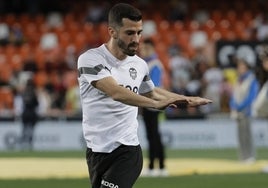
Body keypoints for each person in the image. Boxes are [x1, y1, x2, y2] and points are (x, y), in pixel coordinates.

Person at [77, 3, 212, 188]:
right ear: (112, 32)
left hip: (127, 151)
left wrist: (184, 99)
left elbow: (152, 91)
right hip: (96, 151)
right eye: (130, 33)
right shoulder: (90, 59)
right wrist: (154, 104)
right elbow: (115, 92)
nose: (136, 39)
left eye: (139, 33)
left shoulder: (140, 65)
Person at [139, 38, 167, 176]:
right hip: (147, 103)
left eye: (144, 48)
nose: (142, 51)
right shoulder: (146, 64)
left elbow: (154, 86)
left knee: (154, 135)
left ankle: (159, 166)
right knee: (152, 135)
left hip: (154, 104)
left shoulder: (154, 64)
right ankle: (155, 166)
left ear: (150, 48)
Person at [229, 57, 259, 163]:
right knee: (240, 135)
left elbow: (251, 97)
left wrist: (241, 106)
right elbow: (233, 94)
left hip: (247, 111)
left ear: (246, 68)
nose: (240, 69)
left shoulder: (252, 79)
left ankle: (250, 156)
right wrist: (232, 104)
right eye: (239, 67)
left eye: (242, 67)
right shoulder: (238, 80)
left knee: (247, 134)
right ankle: (242, 156)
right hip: (237, 111)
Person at [20, 78, 39, 150]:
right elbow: (37, 103)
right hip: (32, 112)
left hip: (25, 112)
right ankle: (30, 144)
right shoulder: (34, 92)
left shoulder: (24, 92)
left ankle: (23, 144)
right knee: (31, 129)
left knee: (24, 129)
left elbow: (22, 102)